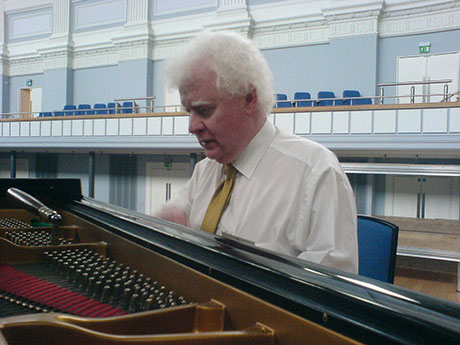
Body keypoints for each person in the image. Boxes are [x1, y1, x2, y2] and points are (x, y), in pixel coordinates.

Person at [156, 31, 358, 273]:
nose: (192, 126)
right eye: (188, 111)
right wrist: (169, 218)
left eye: (205, 110)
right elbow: (175, 214)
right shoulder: (205, 171)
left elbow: (331, 290)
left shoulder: (316, 172)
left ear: (249, 99)